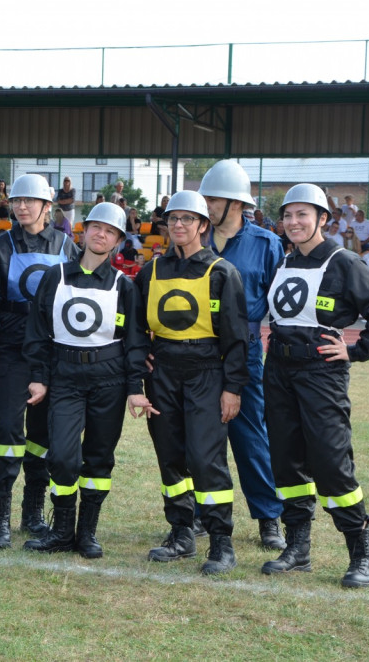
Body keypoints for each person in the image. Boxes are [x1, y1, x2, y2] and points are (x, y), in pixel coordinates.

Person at [261, 183, 369, 588]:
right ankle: (298, 548)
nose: (293, 223)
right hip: (279, 372)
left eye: (303, 215)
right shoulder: (285, 261)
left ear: (323, 218)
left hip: (321, 375)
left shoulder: (344, 263)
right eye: (288, 216)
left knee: (331, 462)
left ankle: (361, 557)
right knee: (286, 461)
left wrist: (356, 351)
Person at [21, 202, 150, 559]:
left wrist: (135, 389)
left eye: (110, 231)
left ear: (118, 241)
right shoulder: (56, 276)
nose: (101, 234)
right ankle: (61, 530)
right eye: (95, 227)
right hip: (64, 377)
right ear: (84, 231)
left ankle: (87, 533)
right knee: (62, 456)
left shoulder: (125, 286)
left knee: (98, 458)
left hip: (108, 378)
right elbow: (37, 332)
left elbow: (136, 342)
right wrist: (38, 378)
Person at [135, 191, 249, 574]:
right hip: (162, 371)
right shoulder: (149, 272)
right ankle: (181, 533)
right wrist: (141, 366)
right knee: (170, 457)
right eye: (173, 219)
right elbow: (136, 330)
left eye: (188, 218)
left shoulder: (221, 272)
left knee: (205, 458)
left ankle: (221, 542)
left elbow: (237, 337)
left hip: (206, 373)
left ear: (203, 225)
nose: (179, 225)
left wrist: (232, 388)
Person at [0, 174, 80, 550]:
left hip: (52, 353)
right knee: (8, 429)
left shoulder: (66, 245)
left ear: (47, 206)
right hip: (11, 350)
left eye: (29, 201)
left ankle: (33, 511)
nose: (21, 206)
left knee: (42, 436)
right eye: (17, 201)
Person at [199, 160, 287, 550]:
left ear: (235, 203)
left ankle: (269, 517)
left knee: (251, 436)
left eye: (212, 199)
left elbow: (284, 305)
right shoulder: (192, 240)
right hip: (195, 350)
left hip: (245, 352)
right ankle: (205, 514)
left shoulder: (267, 244)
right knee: (200, 438)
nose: (206, 206)